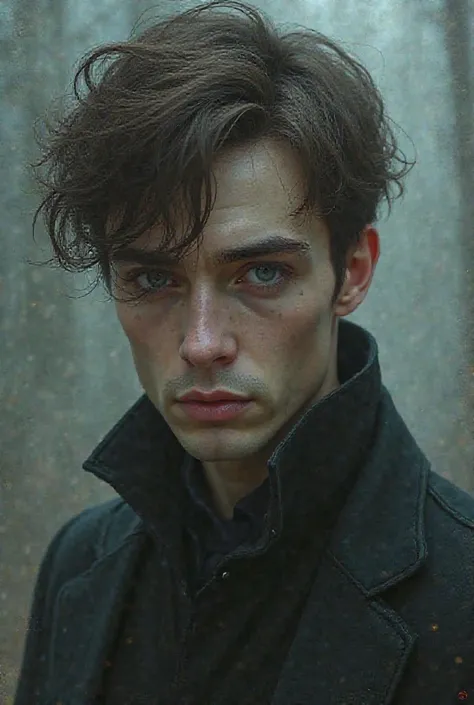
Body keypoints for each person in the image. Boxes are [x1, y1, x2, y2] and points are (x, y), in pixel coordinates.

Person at [14, 1, 474, 703]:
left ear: (351, 272)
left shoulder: (462, 588)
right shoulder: (79, 565)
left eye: (262, 273)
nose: (202, 343)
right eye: (154, 279)